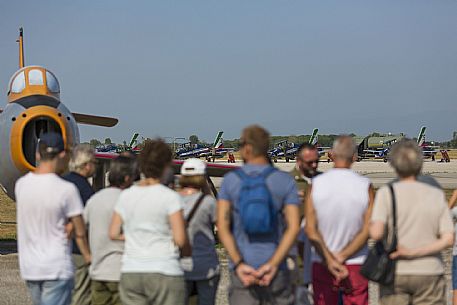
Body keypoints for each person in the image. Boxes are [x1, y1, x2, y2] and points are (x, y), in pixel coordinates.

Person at [217, 125, 300, 305]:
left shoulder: (231, 180)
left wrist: (239, 264)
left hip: (242, 270)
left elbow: (222, 226)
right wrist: (273, 264)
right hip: (276, 270)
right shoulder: (285, 181)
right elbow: (293, 228)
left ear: (247, 147)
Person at [370, 139, 454, 305]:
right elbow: (449, 238)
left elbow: (376, 233)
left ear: (394, 164)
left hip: (396, 271)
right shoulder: (435, 193)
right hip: (429, 270)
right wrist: (417, 252)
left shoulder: (387, 193)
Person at [109, 139, 190, 305]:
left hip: (132, 270)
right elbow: (181, 240)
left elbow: (113, 233)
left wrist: (135, 236)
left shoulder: (126, 195)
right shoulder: (171, 198)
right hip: (164, 270)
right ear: (166, 166)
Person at [15, 132, 91, 305]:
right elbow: (80, 230)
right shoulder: (66, 189)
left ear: (37, 154)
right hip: (57, 267)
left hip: (30, 267)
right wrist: (87, 256)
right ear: (63, 155)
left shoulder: (22, 185)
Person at [305, 135, 373, 305]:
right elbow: (367, 229)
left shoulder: (316, 185)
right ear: (355, 156)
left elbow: (311, 230)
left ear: (331, 155)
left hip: (322, 261)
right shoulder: (365, 186)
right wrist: (343, 256)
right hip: (356, 262)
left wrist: (330, 259)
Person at [84, 156, 137, 305]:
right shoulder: (130, 200)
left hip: (98, 271)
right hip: (121, 271)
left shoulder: (95, 200)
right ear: (127, 178)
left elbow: (81, 228)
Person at [179, 158, 220, 305]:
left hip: (181, 265)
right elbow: (221, 226)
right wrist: (207, 188)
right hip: (206, 265)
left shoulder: (173, 200)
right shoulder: (208, 202)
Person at [63, 144, 96, 305]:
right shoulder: (85, 189)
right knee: (81, 296)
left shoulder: (63, 182)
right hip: (79, 249)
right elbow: (85, 222)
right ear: (86, 165)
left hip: (61, 249)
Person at [290, 143, 321, 304]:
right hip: (296, 257)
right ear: (299, 161)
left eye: (317, 161)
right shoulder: (287, 183)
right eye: (310, 162)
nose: (314, 165)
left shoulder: (324, 181)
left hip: (321, 256)